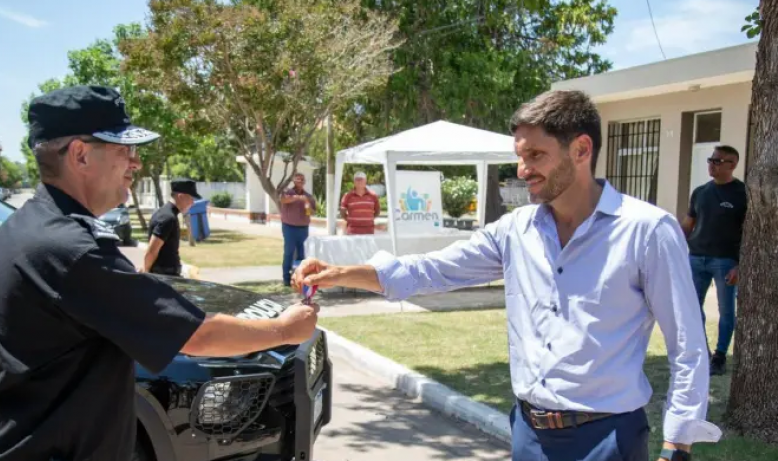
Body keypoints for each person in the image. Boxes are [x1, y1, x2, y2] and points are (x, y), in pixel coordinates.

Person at [292, 90, 721, 461]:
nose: (522, 170)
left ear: (581, 150)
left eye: (536, 155)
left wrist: (677, 443)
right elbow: (431, 271)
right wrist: (340, 273)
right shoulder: (516, 230)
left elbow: (687, 343)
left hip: (607, 439)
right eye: (520, 157)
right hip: (528, 434)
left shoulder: (647, 230)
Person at [0, 85, 319, 461]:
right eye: (125, 151)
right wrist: (285, 329)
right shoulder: (71, 249)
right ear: (80, 154)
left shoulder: (4, 241)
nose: (135, 163)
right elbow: (197, 335)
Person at [681, 144, 747, 376]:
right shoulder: (700, 192)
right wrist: (677, 249)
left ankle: (720, 357)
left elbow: (749, 234)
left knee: (726, 311)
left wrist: (740, 265)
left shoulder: (742, 194)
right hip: (696, 258)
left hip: (725, 262)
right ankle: (703, 351)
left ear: (733, 165)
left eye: (718, 161)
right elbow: (688, 225)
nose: (712, 164)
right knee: (690, 307)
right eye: (711, 160)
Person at [142, 177, 201, 276]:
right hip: (164, 277)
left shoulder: (166, 213)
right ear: (181, 196)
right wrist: (145, 272)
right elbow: (152, 251)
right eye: (191, 198)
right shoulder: (168, 217)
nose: (192, 203)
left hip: (167, 275)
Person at [279, 172, 316, 286]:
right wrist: (300, 198)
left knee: (302, 254)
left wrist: (307, 205)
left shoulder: (309, 196)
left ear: (304, 182)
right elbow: (284, 200)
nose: (300, 181)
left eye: (302, 180)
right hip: (289, 228)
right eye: (298, 179)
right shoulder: (288, 193)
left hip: (303, 228)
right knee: (289, 252)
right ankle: (286, 279)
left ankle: (299, 278)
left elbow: (312, 212)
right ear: (294, 181)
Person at [340, 171, 380, 235]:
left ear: (365, 181)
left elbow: (377, 211)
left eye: (361, 179)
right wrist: (351, 220)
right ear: (354, 182)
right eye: (357, 180)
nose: (359, 182)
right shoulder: (347, 196)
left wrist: (369, 220)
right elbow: (342, 213)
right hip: (352, 232)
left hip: (369, 231)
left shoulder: (373, 196)